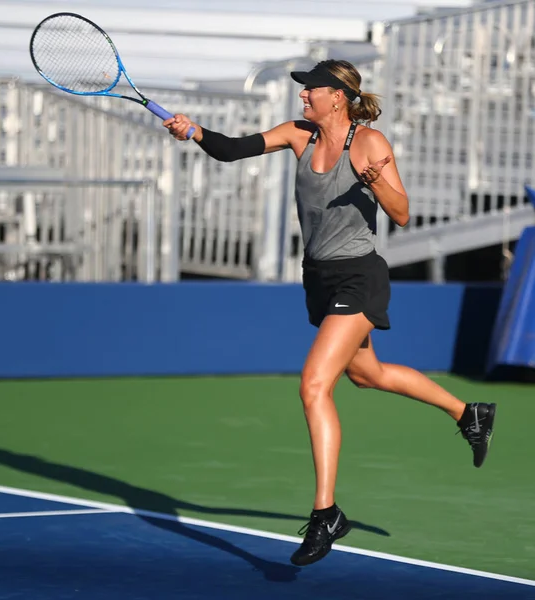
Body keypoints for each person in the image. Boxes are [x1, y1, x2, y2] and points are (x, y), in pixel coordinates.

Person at [163, 59, 496, 568]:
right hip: (317, 277)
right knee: (367, 373)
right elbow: (233, 150)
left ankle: (326, 514)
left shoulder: (370, 144)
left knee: (315, 384)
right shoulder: (298, 135)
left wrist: (374, 182)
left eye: (310, 90)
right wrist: (195, 131)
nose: (303, 97)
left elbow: (403, 213)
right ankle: (468, 413)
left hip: (360, 276)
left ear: (337, 96)